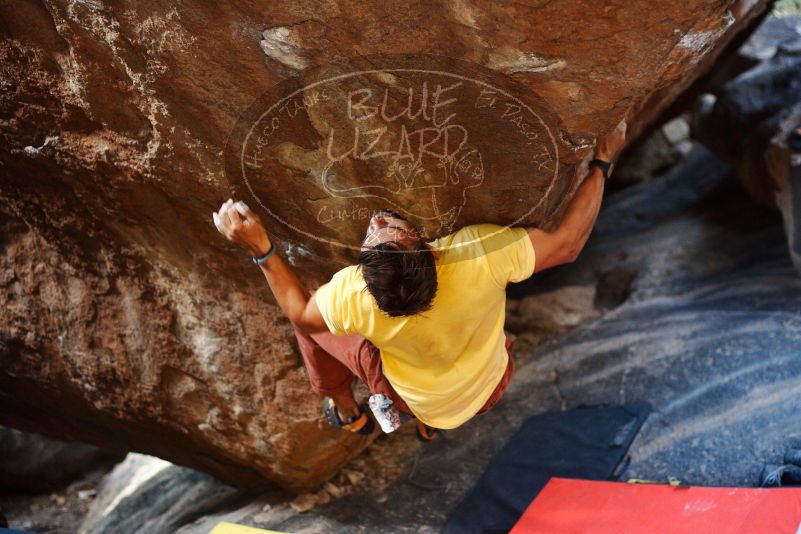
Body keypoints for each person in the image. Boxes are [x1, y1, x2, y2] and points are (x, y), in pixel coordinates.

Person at [213, 120, 627, 439]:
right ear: (431, 250)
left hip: (420, 400)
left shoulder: (354, 297)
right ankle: (428, 421)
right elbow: (568, 244)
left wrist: (262, 249)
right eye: (383, 231)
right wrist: (602, 164)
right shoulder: (475, 254)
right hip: (488, 387)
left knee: (312, 324)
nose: (378, 219)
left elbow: (302, 314)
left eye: (383, 229)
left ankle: (347, 411)